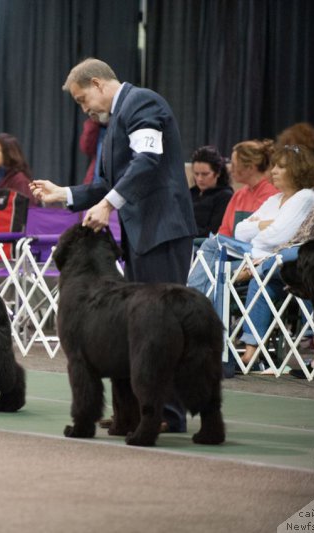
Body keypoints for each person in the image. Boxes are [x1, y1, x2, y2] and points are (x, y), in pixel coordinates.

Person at [30, 58, 195, 433]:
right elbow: (107, 183)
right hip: (140, 233)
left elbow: (148, 162)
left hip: (162, 229)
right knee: (142, 327)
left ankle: (169, 414)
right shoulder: (113, 122)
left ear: (97, 83)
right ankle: (139, 411)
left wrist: (107, 205)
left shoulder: (142, 103)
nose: (83, 108)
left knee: (160, 326)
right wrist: (64, 193)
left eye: (81, 99)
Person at [228, 145, 314, 367]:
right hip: (273, 264)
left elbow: (281, 235)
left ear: (297, 170)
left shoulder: (306, 197)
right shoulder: (274, 200)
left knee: (262, 271)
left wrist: (259, 230)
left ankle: (253, 268)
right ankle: (252, 351)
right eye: (274, 167)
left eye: (281, 167)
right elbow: (240, 230)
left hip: (301, 266)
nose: (274, 172)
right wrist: (265, 226)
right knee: (260, 280)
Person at [187, 139, 278, 296]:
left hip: (254, 258)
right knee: (209, 261)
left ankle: (194, 307)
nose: (230, 169)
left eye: (235, 165)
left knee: (209, 265)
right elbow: (224, 232)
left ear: (250, 167)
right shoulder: (239, 195)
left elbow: (264, 238)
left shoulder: (271, 195)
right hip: (230, 256)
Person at [190, 145, 233, 238]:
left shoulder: (225, 196)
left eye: (205, 174)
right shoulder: (191, 192)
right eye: (196, 174)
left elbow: (213, 231)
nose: (199, 179)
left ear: (217, 173)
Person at [78, 113, 109, 185]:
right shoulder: (95, 124)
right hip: (94, 180)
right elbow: (86, 148)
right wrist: (93, 122)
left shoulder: (118, 122)